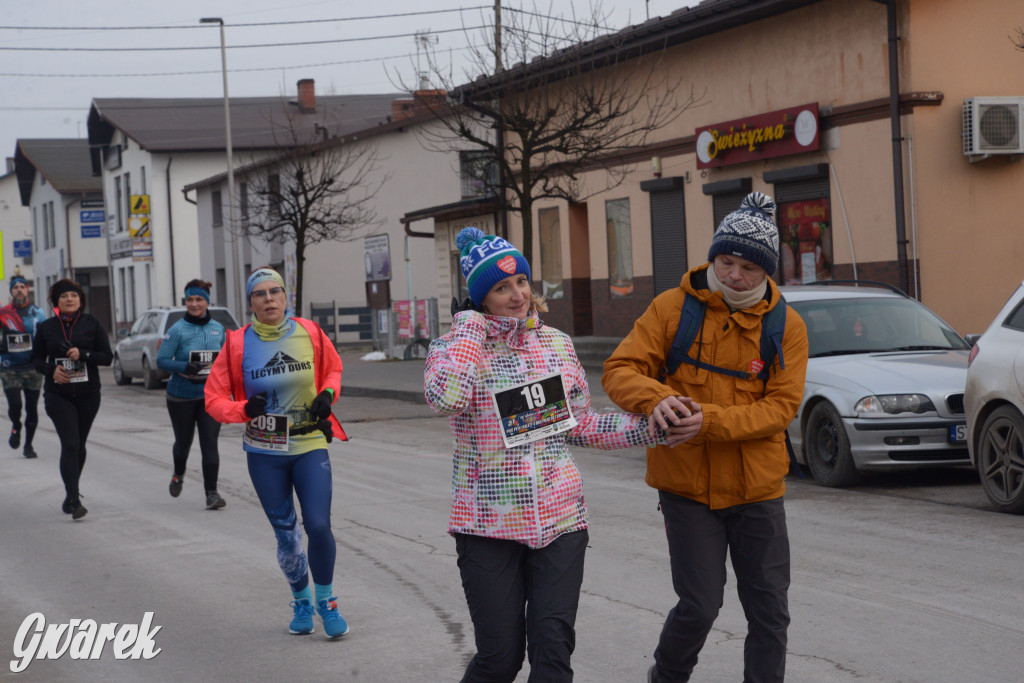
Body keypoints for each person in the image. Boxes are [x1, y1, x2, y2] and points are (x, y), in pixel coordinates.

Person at [424, 227, 661, 683]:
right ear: (479, 297)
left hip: (561, 523)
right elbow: (447, 398)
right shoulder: (452, 349)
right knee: (500, 659)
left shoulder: (556, 344)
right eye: (500, 287)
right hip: (488, 527)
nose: (517, 295)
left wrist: (654, 428)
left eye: (521, 282)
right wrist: (471, 329)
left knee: (553, 657)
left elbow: (583, 425)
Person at [602, 192, 809, 683]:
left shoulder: (787, 326)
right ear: (714, 255)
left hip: (758, 491)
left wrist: (709, 421)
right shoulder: (672, 308)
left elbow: (782, 407)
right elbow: (620, 369)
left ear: (767, 271)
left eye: (748, 268)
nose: (735, 275)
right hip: (686, 488)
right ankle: (666, 677)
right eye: (726, 261)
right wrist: (655, 399)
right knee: (699, 606)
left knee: (769, 614)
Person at [205, 267, 349, 639]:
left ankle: (327, 602)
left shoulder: (311, 332)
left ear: (286, 297)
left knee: (318, 525)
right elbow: (213, 398)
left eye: (275, 292)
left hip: (308, 442)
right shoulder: (237, 344)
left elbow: (333, 370)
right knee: (287, 535)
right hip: (265, 449)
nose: (269, 299)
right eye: (260, 294)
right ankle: (301, 601)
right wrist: (242, 411)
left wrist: (327, 395)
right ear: (250, 302)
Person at [31, 278, 113, 520]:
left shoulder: (92, 323)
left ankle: (70, 494)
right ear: (56, 301)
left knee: (80, 444)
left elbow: (107, 357)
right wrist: (50, 371)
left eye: (74, 296)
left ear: (81, 300)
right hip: (59, 394)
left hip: (88, 394)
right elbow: (35, 359)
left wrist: (84, 354)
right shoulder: (47, 327)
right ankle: (74, 498)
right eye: (65, 296)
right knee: (69, 443)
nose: (69, 300)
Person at [156, 279, 227, 509]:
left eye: (199, 299)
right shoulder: (177, 330)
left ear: (207, 302)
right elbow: (162, 360)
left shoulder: (218, 328)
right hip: (181, 395)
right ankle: (178, 473)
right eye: (190, 299)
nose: (194, 304)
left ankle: (212, 493)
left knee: (209, 444)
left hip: (210, 395)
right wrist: (184, 366)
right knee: (183, 443)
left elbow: (226, 361)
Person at [0, 275, 48, 458]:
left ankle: (28, 445)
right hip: (9, 366)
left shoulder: (38, 313)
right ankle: (16, 425)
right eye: (15, 287)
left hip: (32, 367)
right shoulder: (4, 312)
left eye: (22, 286)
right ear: (11, 291)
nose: (19, 290)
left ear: (27, 290)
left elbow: (45, 337)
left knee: (32, 408)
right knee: (15, 405)